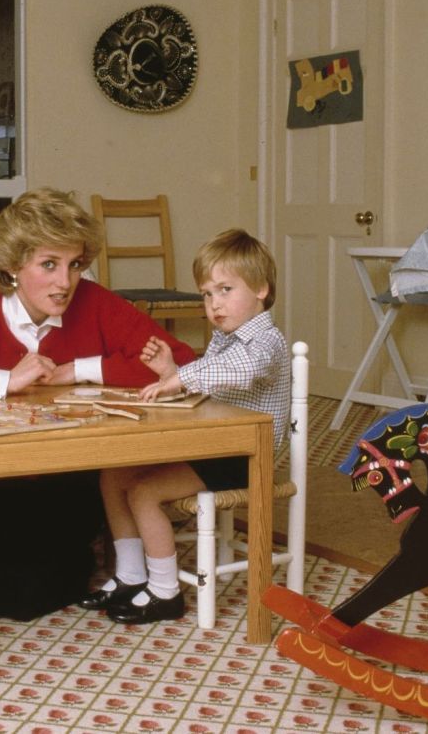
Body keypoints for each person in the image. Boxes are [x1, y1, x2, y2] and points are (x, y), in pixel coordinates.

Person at [0, 187, 195, 619]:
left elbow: (181, 362)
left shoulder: (94, 302)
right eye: (49, 265)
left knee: (33, 598)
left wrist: (80, 368)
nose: (65, 282)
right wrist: (5, 379)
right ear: (12, 265)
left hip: (67, 476)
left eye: (75, 265)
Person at [79, 228, 290, 624]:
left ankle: (165, 593)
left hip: (244, 455)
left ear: (261, 289)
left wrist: (182, 378)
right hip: (213, 446)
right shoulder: (224, 339)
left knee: (144, 493)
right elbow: (211, 385)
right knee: (113, 473)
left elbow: (241, 371)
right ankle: (130, 575)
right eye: (208, 294)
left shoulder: (266, 342)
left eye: (226, 290)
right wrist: (172, 372)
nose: (215, 304)